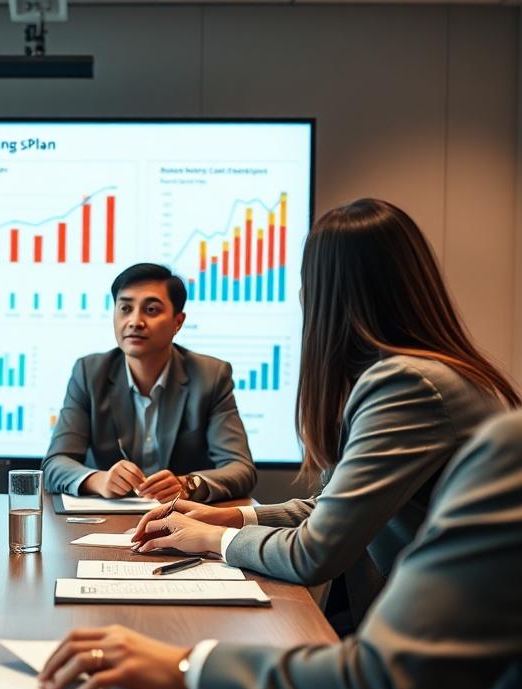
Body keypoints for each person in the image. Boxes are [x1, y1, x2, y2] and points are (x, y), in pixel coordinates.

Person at [129, 199, 518, 627]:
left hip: (445, 647)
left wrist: (213, 538)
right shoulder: (426, 372)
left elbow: (314, 553)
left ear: (325, 294)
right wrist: (229, 515)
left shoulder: (407, 386)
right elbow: (330, 509)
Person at [39, 409, 522, 689]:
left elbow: (379, 683)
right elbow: (329, 507)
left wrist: (187, 664)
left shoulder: (419, 396)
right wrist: (228, 519)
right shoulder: (91, 370)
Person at [42, 263, 256, 503]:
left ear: (178, 322)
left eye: (151, 310)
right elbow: (55, 464)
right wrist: (99, 480)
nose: (135, 321)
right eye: (125, 308)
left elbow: (241, 469)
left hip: (184, 523)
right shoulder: (89, 373)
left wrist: (188, 484)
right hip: (104, 521)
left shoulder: (210, 376)